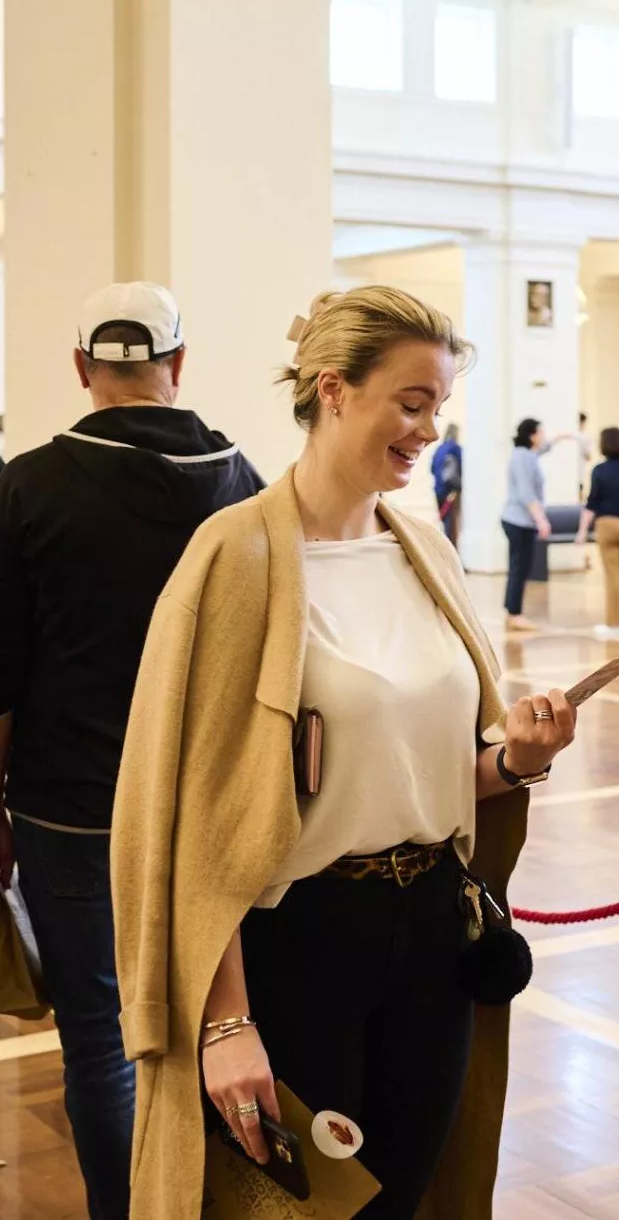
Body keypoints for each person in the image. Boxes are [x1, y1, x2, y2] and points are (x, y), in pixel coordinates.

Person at [109, 286, 579, 1220]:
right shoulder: (235, 557)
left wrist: (517, 760)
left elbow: (437, 777)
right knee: (296, 1207)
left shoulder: (424, 551)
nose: (428, 430)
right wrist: (227, 1022)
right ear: (333, 390)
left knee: (403, 1191)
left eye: (437, 408)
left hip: (431, 935)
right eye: (410, 403)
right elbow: (191, 827)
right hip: (300, 942)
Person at [0, 282, 264, 1220]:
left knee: (101, 1044)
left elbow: (2, 668)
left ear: (81, 370)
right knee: (214, 1023)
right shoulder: (246, 485)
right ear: (180, 364)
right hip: (212, 803)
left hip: (71, 803)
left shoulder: (28, 481)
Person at [575, 428, 619, 639]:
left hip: (607, 524)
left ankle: (615, 625)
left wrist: (581, 532)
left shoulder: (599, 470)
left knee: (613, 576)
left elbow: (591, 503)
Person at [501, 418, 562, 632]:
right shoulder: (523, 458)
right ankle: (514, 613)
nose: (544, 437)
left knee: (519, 566)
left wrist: (565, 436)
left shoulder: (527, 455)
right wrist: (541, 520)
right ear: (532, 436)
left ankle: (512, 609)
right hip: (518, 521)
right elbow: (527, 493)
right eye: (541, 433)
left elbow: (545, 447)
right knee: (520, 567)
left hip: (519, 520)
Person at [431, 423, 462, 547]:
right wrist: (458, 487)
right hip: (451, 492)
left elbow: (432, 469)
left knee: (445, 525)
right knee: (451, 529)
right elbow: (451, 474)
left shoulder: (439, 449)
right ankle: (450, 558)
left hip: (438, 490)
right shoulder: (455, 449)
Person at [576, 411, 593, 500]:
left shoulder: (585, 437)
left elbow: (588, 457)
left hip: (579, 470)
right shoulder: (582, 437)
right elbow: (589, 457)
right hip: (577, 471)